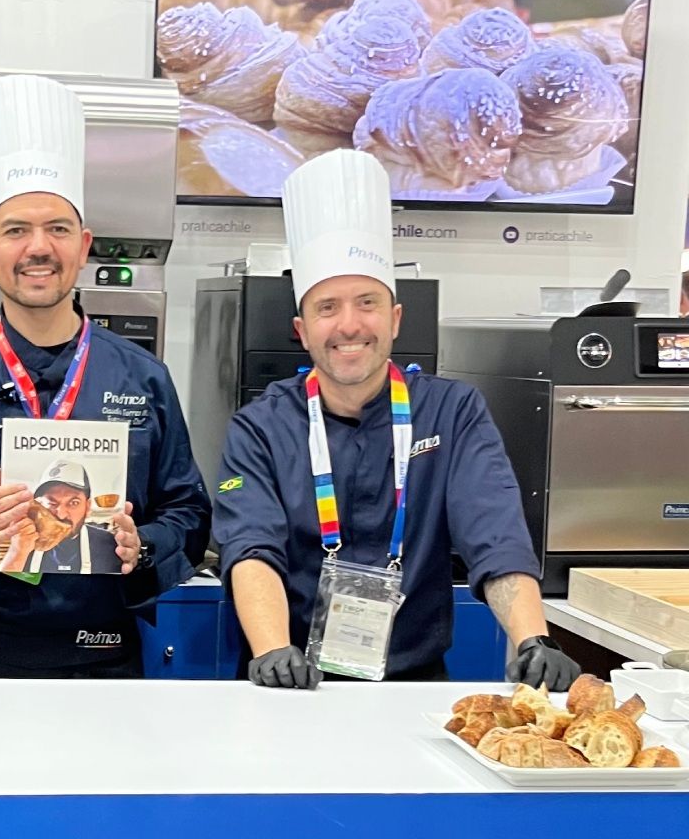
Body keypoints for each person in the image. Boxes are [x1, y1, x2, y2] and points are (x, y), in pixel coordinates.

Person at [213, 148, 581, 692]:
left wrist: (534, 639)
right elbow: (250, 548)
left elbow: (494, 534)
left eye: (367, 302)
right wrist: (272, 650)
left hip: (414, 685)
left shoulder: (452, 412)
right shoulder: (261, 427)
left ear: (395, 318)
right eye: (327, 307)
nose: (349, 325)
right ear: (303, 328)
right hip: (291, 683)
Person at [0, 72, 210, 678]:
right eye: (16, 230)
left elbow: (189, 510)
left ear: (84, 244)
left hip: (106, 653)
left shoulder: (144, 377)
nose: (38, 247)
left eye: (58, 229)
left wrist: (141, 545)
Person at [0, 458, 122, 577]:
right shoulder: (24, 539)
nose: (61, 514)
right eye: (52, 503)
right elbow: (4, 590)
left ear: (88, 507)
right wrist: (17, 552)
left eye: (73, 503)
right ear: (40, 505)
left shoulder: (109, 545)